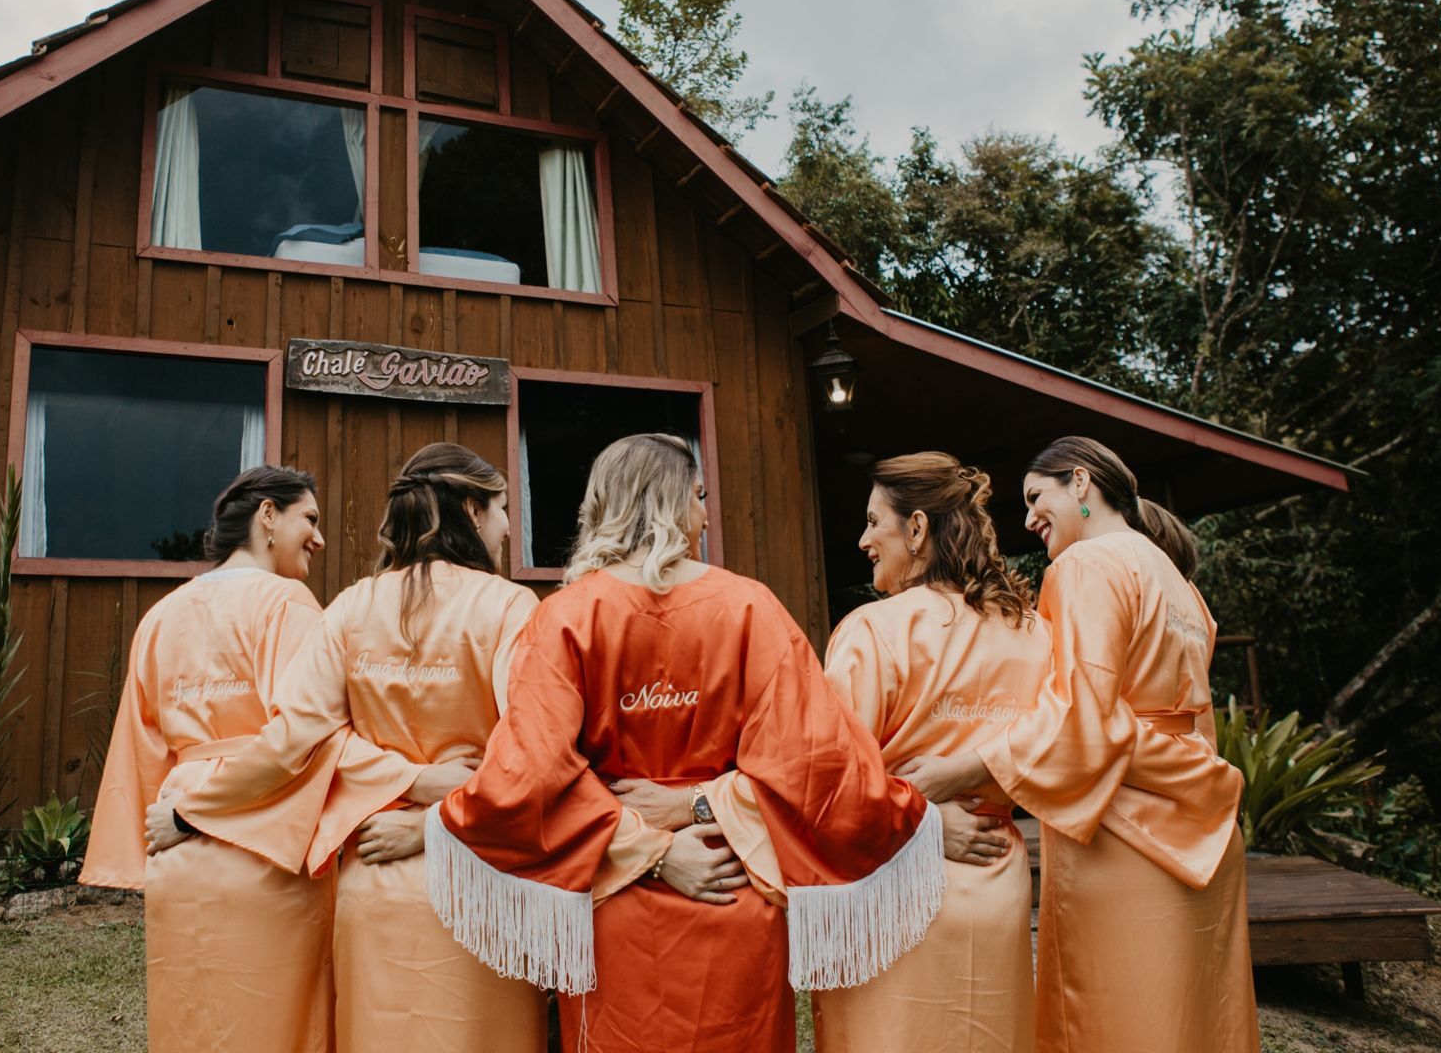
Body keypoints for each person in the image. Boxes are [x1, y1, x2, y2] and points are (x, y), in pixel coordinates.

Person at [146, 443, 703, 1052]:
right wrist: (642, 845)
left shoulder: (350, 608)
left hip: (373, 883)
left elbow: (295, 746)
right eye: (500, 510)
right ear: (470, 508)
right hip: (482, 887)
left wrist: (193, 807)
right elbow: (539, 752)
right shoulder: (509, 605)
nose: (508, 528)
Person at [424, 433, 945, 1053]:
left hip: (619, 899)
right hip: (733, 881)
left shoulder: (566, 615)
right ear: (668, 502)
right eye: (699, 496)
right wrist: (705, 810)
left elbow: (529, 776)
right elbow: (818, 765)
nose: (704, 515)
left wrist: (647, 842)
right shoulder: (751, 607)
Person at [79, 465, 463, 1053]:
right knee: (281, 1027)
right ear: (266, 516)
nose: (319, 537)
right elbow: (313, 740)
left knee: (195, 1019)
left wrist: (163, 825)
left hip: (179, 847)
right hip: (268, 844)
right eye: (308, 518)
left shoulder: (161, 616)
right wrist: (420, 779)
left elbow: (140, 746)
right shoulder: (287, 603)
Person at [907, 436, 1260, 1053]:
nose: (1026, 518)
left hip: (1125, 831)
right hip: (1202, 827)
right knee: (1195, 1020)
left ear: (1080, 481)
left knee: (1114, 1022)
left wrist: (959, 771)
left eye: (1035, 496)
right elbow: (1194, 720)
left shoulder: (1085, 565)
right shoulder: (1175, 580)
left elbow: (1076, 716)